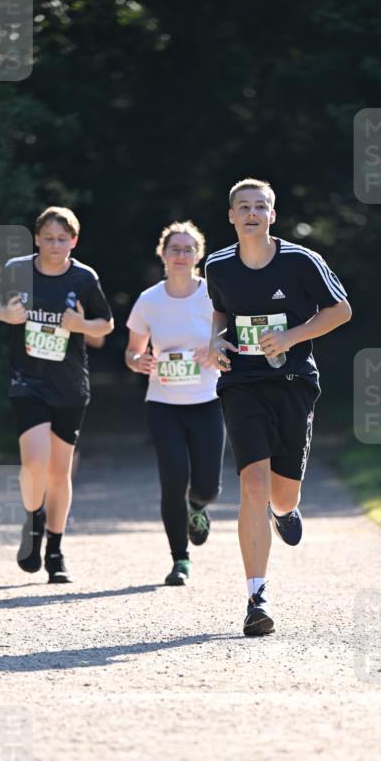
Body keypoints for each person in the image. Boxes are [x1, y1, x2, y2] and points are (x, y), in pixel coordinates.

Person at [204, 178, 352, 636]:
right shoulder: (218, 266)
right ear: (231, 216)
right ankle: (256, 597)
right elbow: (221, 312)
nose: (251, 213)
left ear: (273, 214)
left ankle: (284, 512)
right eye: (243, 207)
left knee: (282, 493)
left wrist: (289, 337)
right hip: (242, 382)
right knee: (252, 484)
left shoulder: (302, 261)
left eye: (260, 207)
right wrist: (214, 340)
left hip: (292, 382)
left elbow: (341, 310)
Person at [0, 206, 114, 583]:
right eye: (48, 238)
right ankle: (33, 524)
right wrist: (6, 315)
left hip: (70, 384)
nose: (55, 245)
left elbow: (105, 324)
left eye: (63, 239)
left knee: (59, 471)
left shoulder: (84, 277)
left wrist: (80, 324)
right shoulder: (17, 269)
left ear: (74, 241)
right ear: (36, 238)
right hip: (27, 380)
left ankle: (55, 551)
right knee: (34, 461)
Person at [125, 221, 225, 585]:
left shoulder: (213, 295)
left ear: (198, 255)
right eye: (174, 249)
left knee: (208, 486)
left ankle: (198, 507)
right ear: (163, 254)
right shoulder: (149, 300)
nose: (181, 255)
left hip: (207, 400)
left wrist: (216, 350)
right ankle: (180, 560)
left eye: (188, 249)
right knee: (172, 481)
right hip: (163, 404)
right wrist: (138, 362)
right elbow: (132, 352)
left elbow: (230, 340)